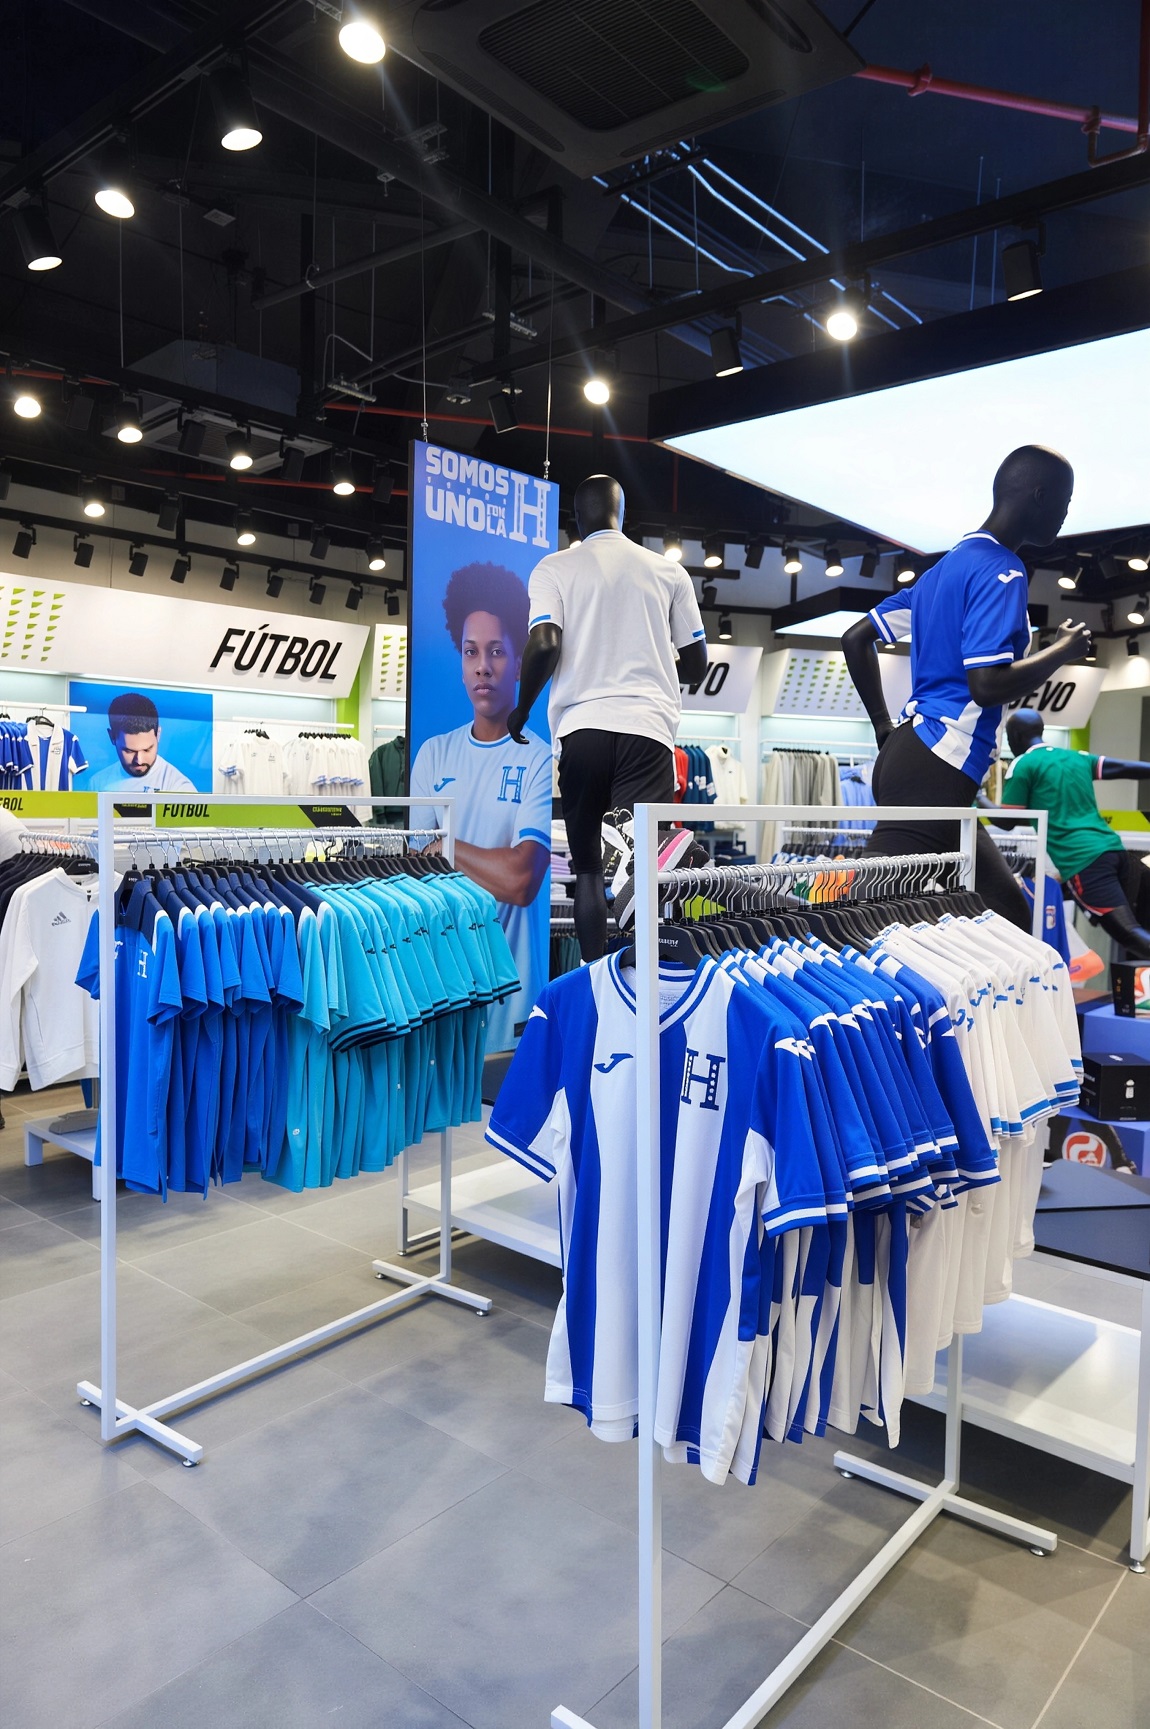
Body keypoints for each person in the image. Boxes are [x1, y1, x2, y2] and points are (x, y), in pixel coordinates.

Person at [842, 445, 1092, 928]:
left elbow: (856, 638)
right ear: (1040, 496)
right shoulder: (1002, 570)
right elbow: (987, 684)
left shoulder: (943, 570)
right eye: (1064, 502)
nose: (1065, 515)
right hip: (939, 765)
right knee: (858, 919)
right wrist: (1062, 651)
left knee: (1011, 916)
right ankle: (764, 946)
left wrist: (882, 726)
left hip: (915, 755)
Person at [510, 475, 709, 961]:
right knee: (643, 870)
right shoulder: (668, 572)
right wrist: (654, 661)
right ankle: (643, 979)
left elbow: (545, 643)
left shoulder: (554, 568)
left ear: (577, 517)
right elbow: (697, 664)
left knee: (588, 871)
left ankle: (595, 977)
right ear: (622, 513)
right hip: (647, 732)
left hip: (582, 731)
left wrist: (522, 708)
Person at [410, 561, 552, 1052]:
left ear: (519, 663)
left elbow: (521, 879)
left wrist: (445, 848)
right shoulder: (433, 755)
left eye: (496, 651)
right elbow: (415, 878)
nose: (482, 666)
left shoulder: (538, 758)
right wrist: (452, 857)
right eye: (471, 651)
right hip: (444, 996)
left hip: (515, 1002)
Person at [1000, 707, 1150, 958]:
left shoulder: (1024, 764)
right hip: (1115, 852)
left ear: (1014, 736)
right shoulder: (1076, 757)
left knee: (1129, 934)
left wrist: (979, 796)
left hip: (1085, 861)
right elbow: (1124, 768)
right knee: (1135, 933)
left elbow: (1005, 820)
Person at [87, 693, 197, 793]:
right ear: (112, 737)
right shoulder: (96, 785)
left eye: (147, 750)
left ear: (158, 734)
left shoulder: (179, 788)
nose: (139, 760)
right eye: (129, 751)